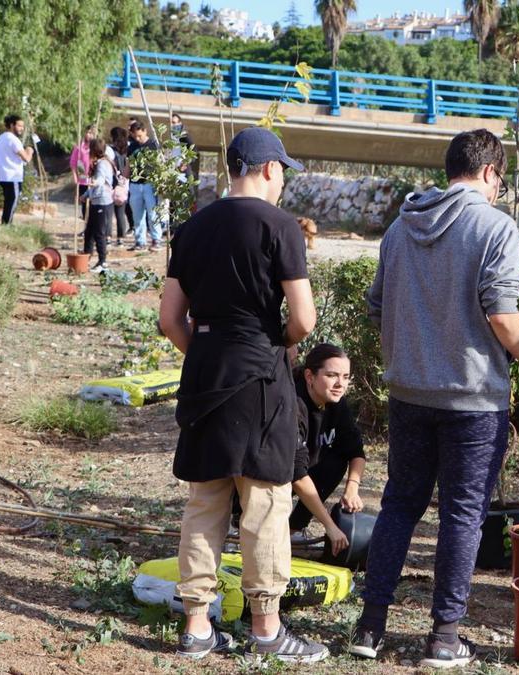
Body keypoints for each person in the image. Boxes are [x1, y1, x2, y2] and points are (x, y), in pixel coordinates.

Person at [350, 129, 519, 669]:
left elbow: (376, 307)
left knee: (399, 504)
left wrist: (411, 351)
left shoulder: (400, 227)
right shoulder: (495, 226)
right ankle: (444, 637)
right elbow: (502, 313)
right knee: (462, 515)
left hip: (408, 392)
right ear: (490, 173)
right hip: (473, 398)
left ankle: (369, 626)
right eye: (500, 180)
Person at [158, 126, 327, 663]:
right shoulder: (280, 227)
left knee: (205, 499)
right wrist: (276, 345)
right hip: (259, 373)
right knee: (265, 501)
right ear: (270, 169)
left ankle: (196, 626)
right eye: (282, 173)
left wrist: (207, 354)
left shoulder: (192, 228)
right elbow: (303, 318)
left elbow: (170, 318)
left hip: (205, 370)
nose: (283, 183)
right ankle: (267, 630)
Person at [287, 343, 367, 556]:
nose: (340, 384)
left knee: (336, 461)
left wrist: (352, 489)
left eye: (346, 377)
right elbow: (296, 473)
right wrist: (330, 526)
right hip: (271, 475)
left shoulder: (336, 402)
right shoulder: (293, 404)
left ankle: (292, 530)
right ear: (310, 376)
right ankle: (237, 522)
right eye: (332, 375)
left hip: (302, 469)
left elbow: (356, 451)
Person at [127, 121, 162, 251]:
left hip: (149, 184)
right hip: (135, 184)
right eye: (135, 136)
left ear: (145, 131)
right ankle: (140, 241)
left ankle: (156, 239)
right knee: (137, 215)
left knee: (153, 214)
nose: (137, 139)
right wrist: (123, 179)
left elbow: (159, 164)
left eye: (139, 136)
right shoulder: (132, 147)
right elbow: (128, 164)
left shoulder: (154, 145)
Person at [0, 115, 35, 224]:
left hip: (3, 175)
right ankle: (7, 225)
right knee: (12, 202)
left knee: (8, 202)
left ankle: (5, 223)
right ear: (12, 125)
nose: (22, 129)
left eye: (23, 126)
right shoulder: (13, 140)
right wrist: (30, 150)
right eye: (19, 126)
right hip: (13, 177)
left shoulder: (1, 138)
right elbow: (26, 158)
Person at [82, 139, 114, 273]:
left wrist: (93, 182)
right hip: (96, 200)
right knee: (89, 231)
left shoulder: (103, 164)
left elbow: (100, 180)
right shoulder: (99, 163)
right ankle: (85, 258)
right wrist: (86, 194)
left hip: (103, 201)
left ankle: (102, 262)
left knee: (99, 233)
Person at [107, 127, 132, 246]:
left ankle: (108, 237)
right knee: (120, 213)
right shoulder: (128, 149)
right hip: (123, 184)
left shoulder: (110, 150)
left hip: (111, 184)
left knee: (109, 212)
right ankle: (120, 238)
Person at [70, 124, 97, 214]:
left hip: (93, 180)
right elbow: (73, 163)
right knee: (84, 203)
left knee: (93, 204)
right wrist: (75, 177)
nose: (89, 135)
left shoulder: (96, 147)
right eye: (88, 133)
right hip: (82, 179)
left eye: (91, 133)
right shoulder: (79, 147)